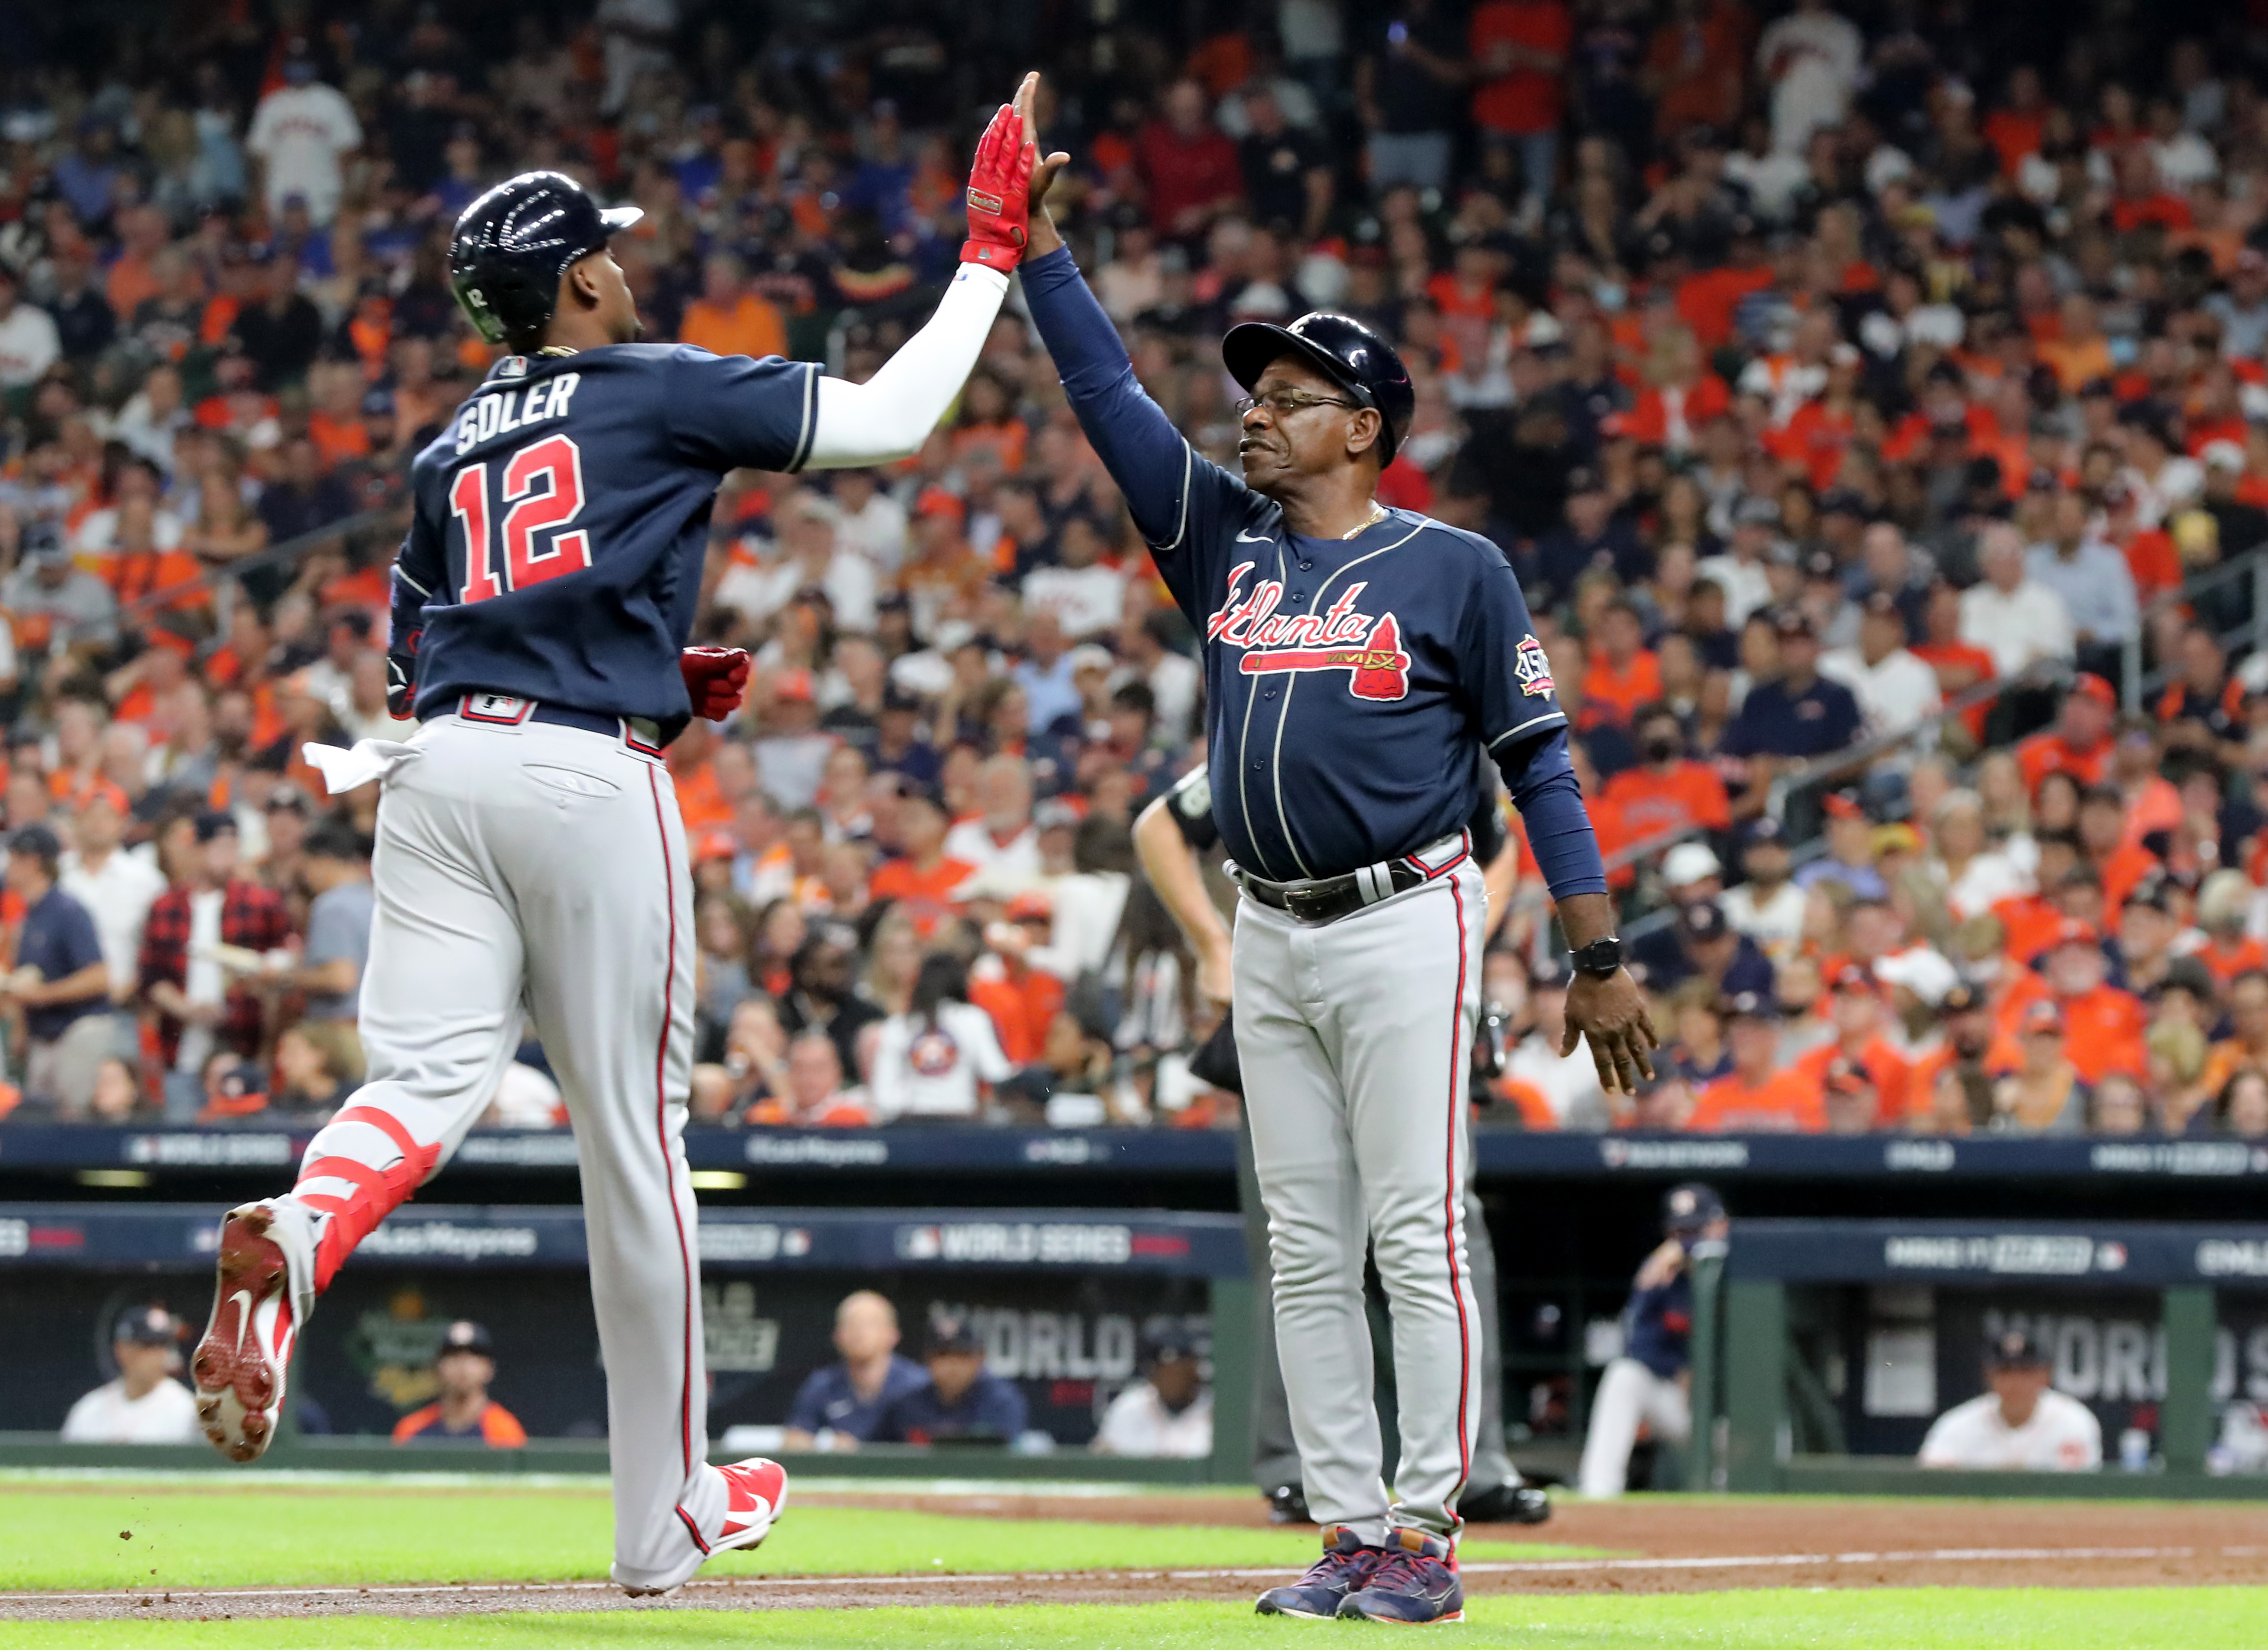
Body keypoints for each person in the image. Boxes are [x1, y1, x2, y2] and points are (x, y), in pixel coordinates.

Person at [190, 106, 1037, 1597]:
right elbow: (896, 419)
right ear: (575, 281)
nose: (626, 278)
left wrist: (642, 656)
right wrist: (984, 252)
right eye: (609, 260)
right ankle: (667, 1516)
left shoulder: (451, 442)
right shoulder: (648, 382)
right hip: (587, 772)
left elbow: (420, 654)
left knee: (423, 1080)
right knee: (638, 1157)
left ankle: (300, 1231)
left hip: (440, 763)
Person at [1018, 76, 1647, 1625]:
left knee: (1411, 1230)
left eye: (1289, 394)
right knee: (1302, 1244)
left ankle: (1422, 1540)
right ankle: (1348, 1528)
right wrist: (1042, 259)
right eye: (1253, 390)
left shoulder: (1452, 567)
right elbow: (1113, 409)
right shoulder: (1220, 545)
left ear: (1361, 428)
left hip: (1401, 917)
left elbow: (1539, 762)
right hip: (1271, 923)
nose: (1253, 409)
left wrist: (1595, 953)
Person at [1133, 765, 1550, 1527]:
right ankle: (1296, 1467)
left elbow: (1498, 844)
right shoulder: (1283, 715)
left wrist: (1458, 926)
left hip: (1406, 973)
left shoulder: (1426, 726)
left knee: (1443, 1230)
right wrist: (1208, 941)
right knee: (1298, 1239)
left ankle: (1473, 1467)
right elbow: (1159, 825)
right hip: (1286, 978)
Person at [1576, 1184, 1725, 1496]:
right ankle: (1598, 1494)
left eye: (1696, 1231)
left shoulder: (1740, 1273)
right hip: (1681, 1403)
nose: (1686, 1243)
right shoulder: (1665, 1278)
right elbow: (1636, 1344)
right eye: (1680, 1234)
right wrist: (1647, 1286)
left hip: (1727, 1414)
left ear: (1719, 1226)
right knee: (1624, 1376)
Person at [3, 822, 114, 1116]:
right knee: (39, 1121)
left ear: (33, 861)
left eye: (14, 858)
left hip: (78, 1028)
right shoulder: (32, 913)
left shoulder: (67, 910)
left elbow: (100, 977)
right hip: (46, 1034)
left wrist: (41, 995)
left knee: (71, 1119)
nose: (8, 867)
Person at [1918, 1329, 2101, 1470]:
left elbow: (2082, 1485)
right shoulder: (1958, 1423)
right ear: (1989, 1376)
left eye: (2026, 1371)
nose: (2015, 1382)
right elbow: (1930, 1477)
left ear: (2045, 1375)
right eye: (2006, 1372)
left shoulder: (2074, 1420)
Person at [781, 1290, 928, 1451]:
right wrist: (828, 1445)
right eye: (851, 1325)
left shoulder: (918, 1384)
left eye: (870, 1324)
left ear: (893, 1335)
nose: (860, 1333)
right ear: (837, 1336)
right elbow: (794, 1440)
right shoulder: (823, 1384)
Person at [873, 1315, 1028, 1443]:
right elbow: (876, 1449)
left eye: (961, 1356)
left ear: (980, 1359)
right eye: (942, 1356)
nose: (952, 1366)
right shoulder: (908, 1405)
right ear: (928, 1360)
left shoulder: (1000, 1402)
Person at [60, 1307, 201, 1444]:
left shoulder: (187, 1411)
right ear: (122, 1350)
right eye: (148, 1345)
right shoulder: (89, 1410)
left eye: (163, 1344)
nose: (158, 1354)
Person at [392, 1320, 529, 1447]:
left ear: (490, 1369)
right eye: (453, 1356)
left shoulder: (504, 1431)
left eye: (473, 1357)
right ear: (436, 1368)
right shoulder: (411, 1429)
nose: (463, 1366)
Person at [1092, 1327, 1214, 1458]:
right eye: (1164, 1370)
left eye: (1179, 1370)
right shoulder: (1129, 1407)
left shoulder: (1219, 1412)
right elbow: (1101, 1463)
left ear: (1194, 1370)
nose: (1172, 1379)